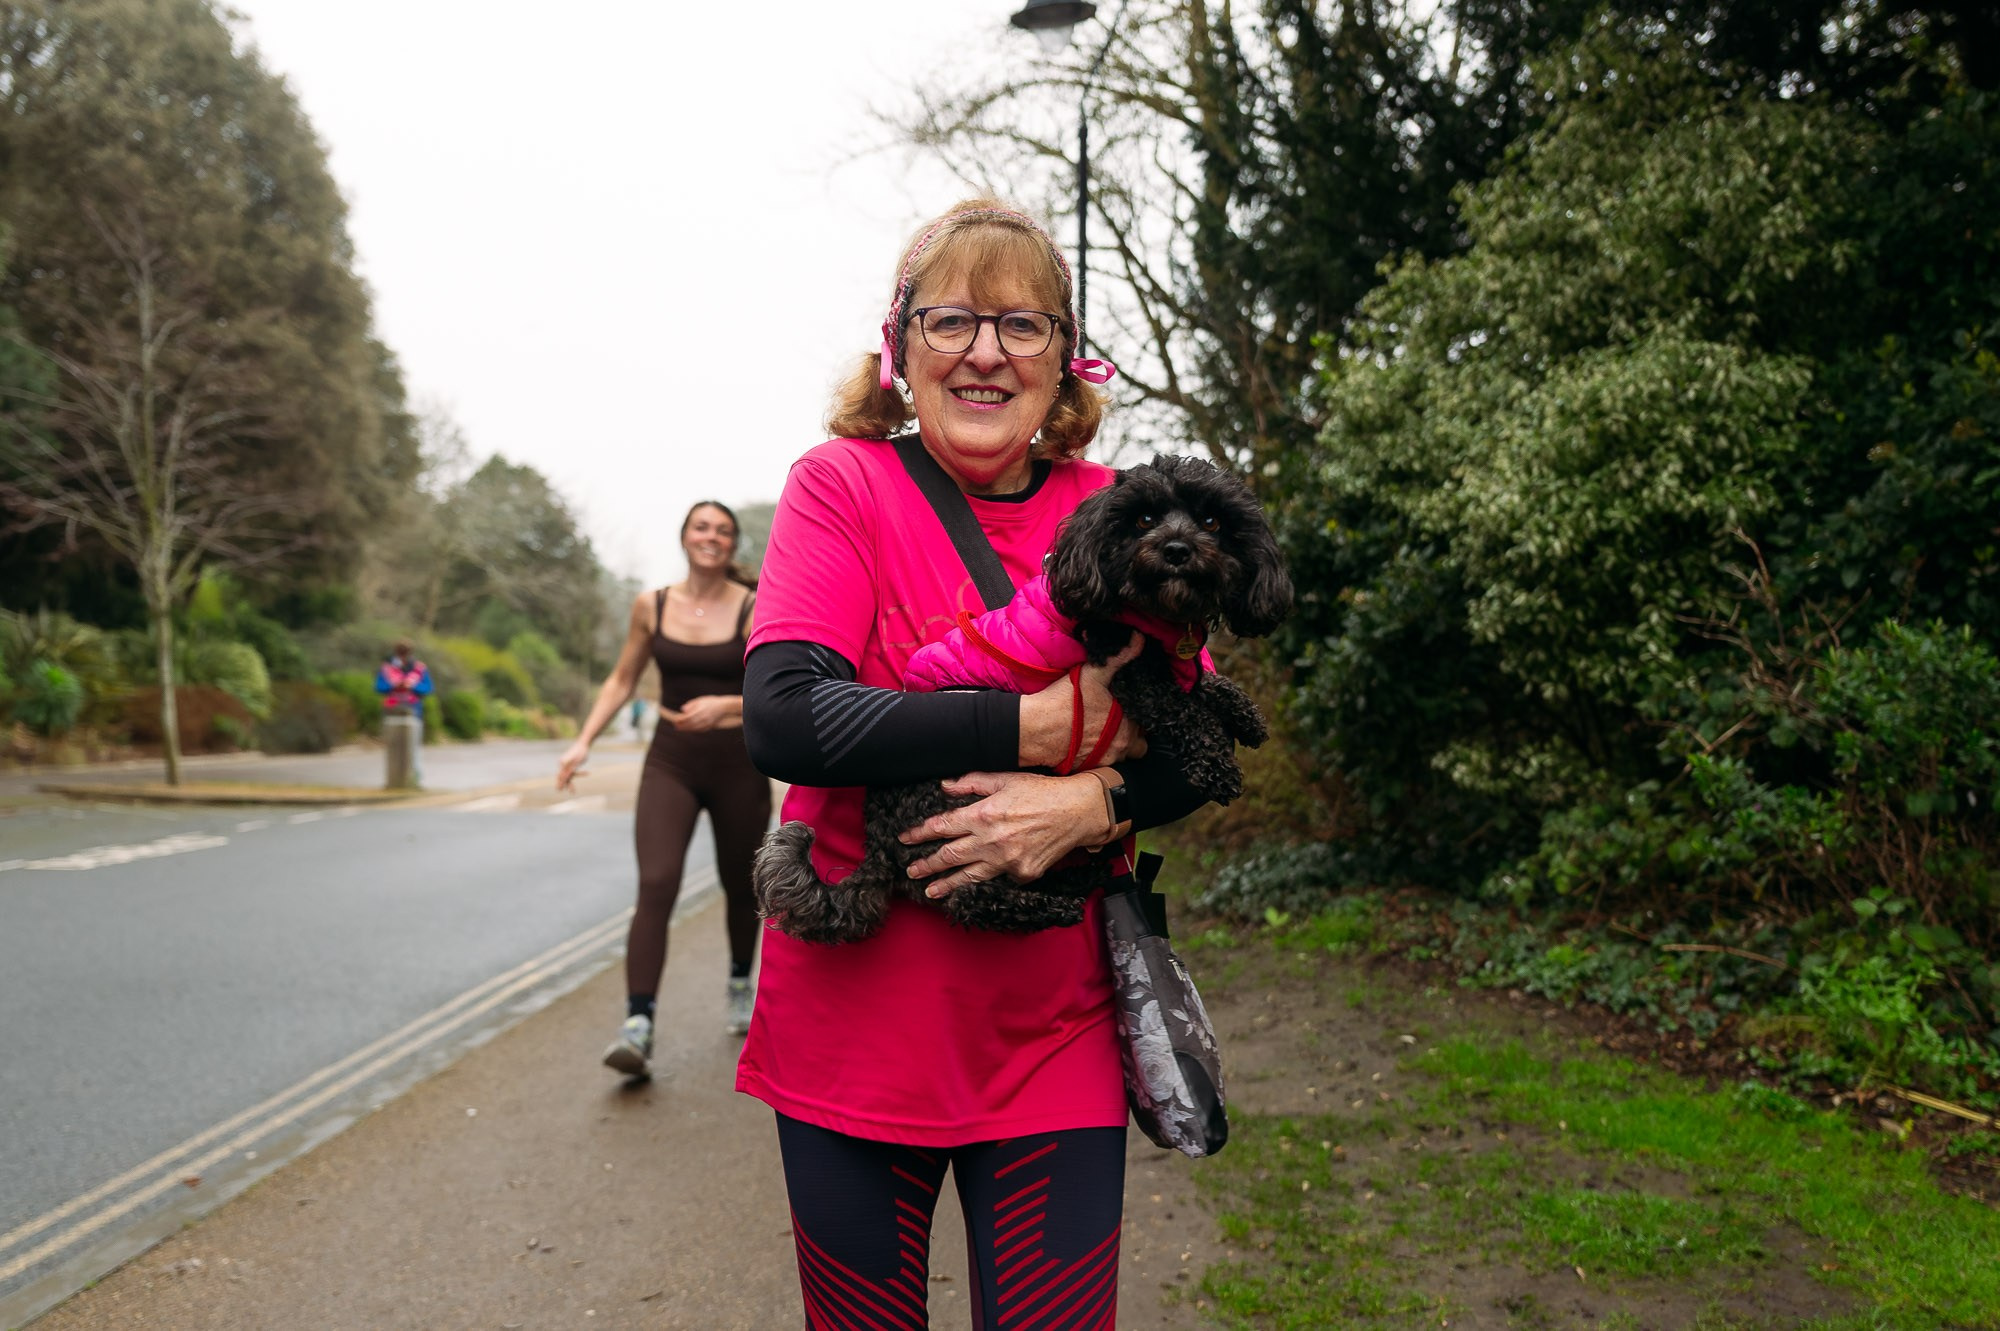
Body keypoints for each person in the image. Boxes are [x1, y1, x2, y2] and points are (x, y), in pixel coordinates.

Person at [739, 199, 1211, 1329]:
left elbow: (1191, 749)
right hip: (851, 1026)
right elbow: (787, 716)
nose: (985, 351)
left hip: (1052, 1025)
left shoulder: (1118, 514)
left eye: (1022, 324)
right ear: (898, 349)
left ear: (1065, 360)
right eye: (949, 320)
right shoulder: (841, 487)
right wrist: (1027, 734)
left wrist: (1087, 799)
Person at [556, 501, 771, 1073]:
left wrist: (729, 704)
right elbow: (623, 678)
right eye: (702, 527)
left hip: (737, 763)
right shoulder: (650, 606)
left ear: (733, 545)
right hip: (670, 761)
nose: (712, 537)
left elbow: (778, 693)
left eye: (723, 531)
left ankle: (737, 981)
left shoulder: (754, 607)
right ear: (684, 537)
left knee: (740, 885)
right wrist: (583, 741)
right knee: (655, 882)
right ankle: (638, 1023)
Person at [373, 640, 432, 785]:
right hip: (392, 711)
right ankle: (395, 779)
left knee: (414, 747)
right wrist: (394, 685)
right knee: (393, 746)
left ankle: (415, 779)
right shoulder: (387, 668)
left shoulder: (419, 668)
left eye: (405, 652)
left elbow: (427, 688)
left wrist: (412, 686)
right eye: (401, 652)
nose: (403, 655)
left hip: (413, 711)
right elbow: (379, 687)